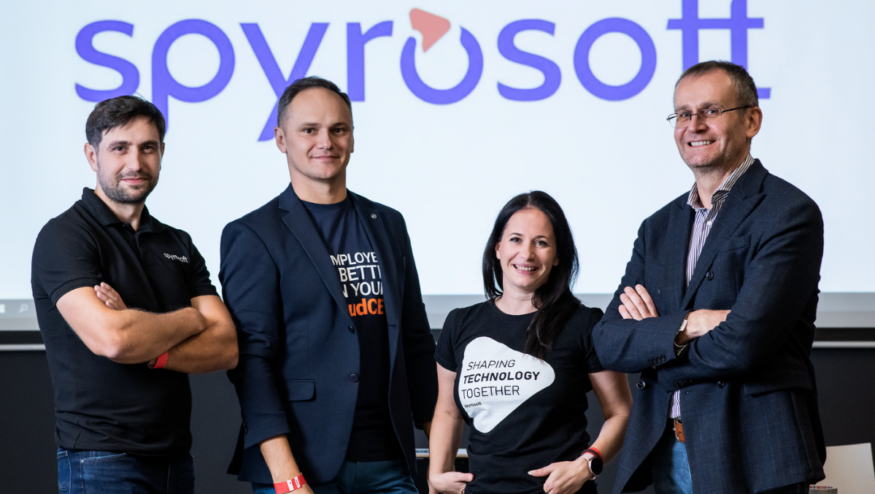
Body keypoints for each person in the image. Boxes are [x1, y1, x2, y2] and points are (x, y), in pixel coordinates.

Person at [592, 60, 826, 494]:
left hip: (753, 453)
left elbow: (744, 344)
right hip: (667, 451)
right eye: (683, 113)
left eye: (711, 110)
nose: (694, 125)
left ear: (751, 120)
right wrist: (690, 324)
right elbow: (608, 340)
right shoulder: (657, 228)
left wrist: (657, 345)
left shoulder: (788, 213)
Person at [220, 76, 438, 494]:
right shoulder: (253, 234)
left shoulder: (388, 223)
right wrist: (286, 477)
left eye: (338, 129)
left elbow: (414, 341)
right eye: (309, 130)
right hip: (303, 466)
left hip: (390, 462)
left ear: (352, 137)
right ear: (281, 139)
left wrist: (440, 453)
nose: (326, 142)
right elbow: (251, 362)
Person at [31, 95, 238, 494]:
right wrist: (192, 318)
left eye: (147, 148)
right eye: (119, 148)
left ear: (162, 153)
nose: (135, 163)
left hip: (176, 460)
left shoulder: (177, 242)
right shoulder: (65, 236)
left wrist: (151, 348)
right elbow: (114, 339)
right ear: (92, 156)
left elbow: (226, 346)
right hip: (101, 458)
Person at [428, 191, 633, 494]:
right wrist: (435, 476)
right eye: (515, 239)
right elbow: (447, 411)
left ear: (558, 256)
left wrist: (587, 464)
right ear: (497, 248)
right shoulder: (460, 323)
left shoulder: (584, 323)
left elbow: (621, 412)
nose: (526, 254)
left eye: (541, 242)